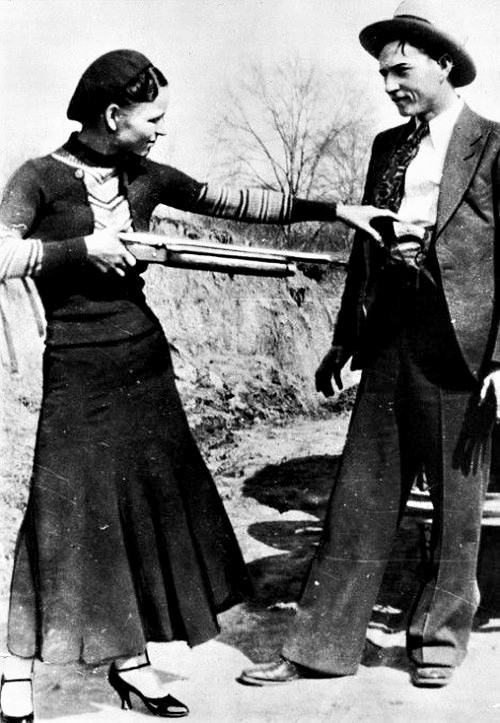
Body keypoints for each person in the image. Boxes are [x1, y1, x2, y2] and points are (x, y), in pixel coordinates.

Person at [0, 49, 396, 722]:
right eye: (152, 118)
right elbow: (3, 252)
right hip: (77, 369)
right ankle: (14, 669)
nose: (160, 130)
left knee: (143, 510)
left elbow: (238, 202)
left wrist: (339, 209)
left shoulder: (147, 176)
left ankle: (132, 663)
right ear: (113, 114)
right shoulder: (39, 179)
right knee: (60, 511)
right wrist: (82, 250)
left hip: (143, 365)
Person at [240, 0, 500, 691]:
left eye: (402, 70)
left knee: (456, 504)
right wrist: (342, 342)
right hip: (390, 336)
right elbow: (363, 251)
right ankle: (319, 645)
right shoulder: (390, 145)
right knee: (358, 494)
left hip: (463, 350)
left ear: (444, 65)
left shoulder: (494, 144)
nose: (389, 85)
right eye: (383, 75)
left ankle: (438, 645)